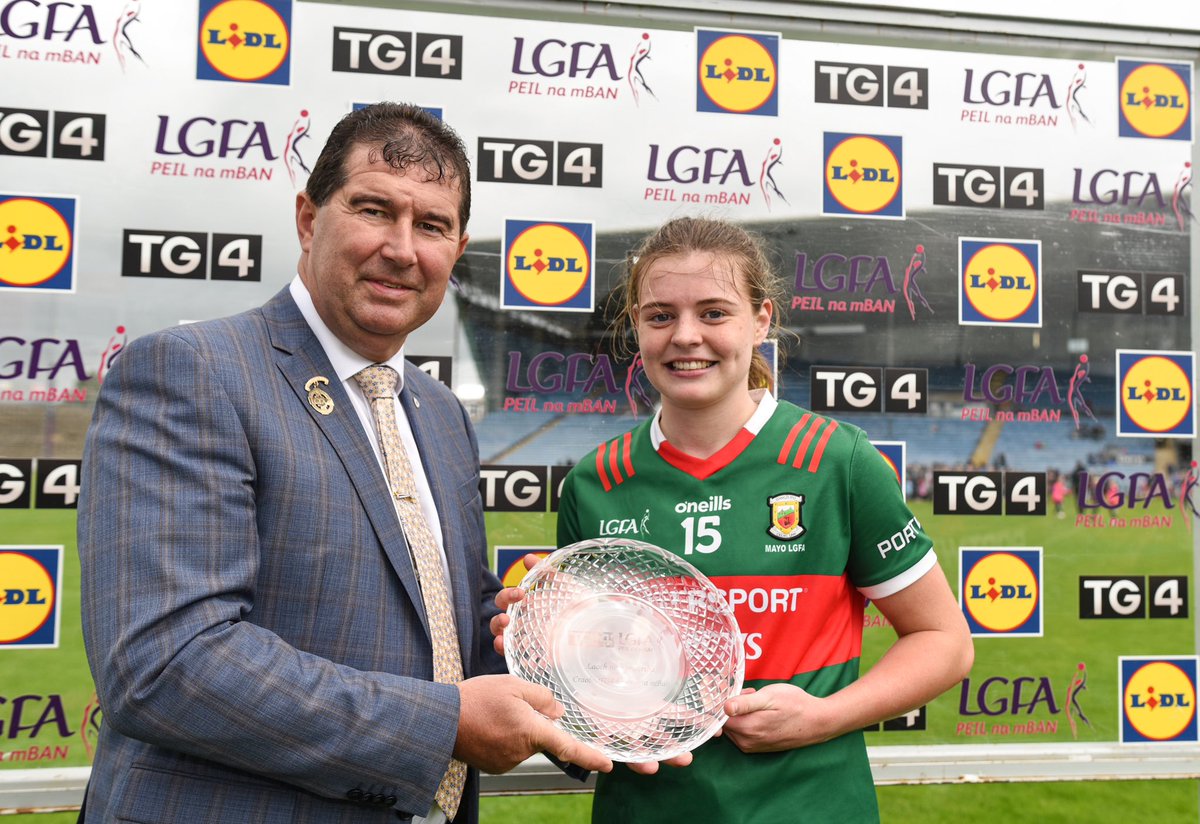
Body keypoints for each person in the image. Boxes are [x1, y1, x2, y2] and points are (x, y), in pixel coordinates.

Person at [76, 102, 613, 824]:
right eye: (374, 210)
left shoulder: (441, 413)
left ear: (456, 250)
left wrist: (561, 655)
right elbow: (167, 664)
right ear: (308, 219)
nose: (402, 248)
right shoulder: (192, 370)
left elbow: (444, 624)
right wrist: (444, 724)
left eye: (432, 225)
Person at [498, 217, 974, 822]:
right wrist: (545, 650)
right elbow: (602, 681)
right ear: (636, 327)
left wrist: (823, 717)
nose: (686, 336)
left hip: (811, 807)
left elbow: (944, 642)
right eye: (661, 316)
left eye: (714, 313)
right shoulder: (596, 482)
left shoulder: (839, 461)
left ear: (761, 320)